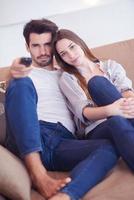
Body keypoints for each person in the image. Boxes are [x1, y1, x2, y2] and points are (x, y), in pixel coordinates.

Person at [5, 19, 118, 200]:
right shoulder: (25, 72)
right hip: (33, 133)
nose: (42, 52)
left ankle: (65, 195)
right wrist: (13, 72)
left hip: (62, 142)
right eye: (36, 46)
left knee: (108, 147)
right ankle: (37, 173)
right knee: (21, 82)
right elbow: (14, 85)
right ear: (27, 47)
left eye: (48, 45)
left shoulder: (69, 74)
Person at [53, 28, 134, 180]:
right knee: (97, 85)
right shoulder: (67, 78)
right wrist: (111, 110)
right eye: (63, 54)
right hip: (96, 129)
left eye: (72, 47)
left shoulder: (111, 66)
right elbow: (84, 112)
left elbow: (128, 92)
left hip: (124, 118)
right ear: (60, 58)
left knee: (117, 119)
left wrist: (125, 105)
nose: (71, 55)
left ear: (80, 43)